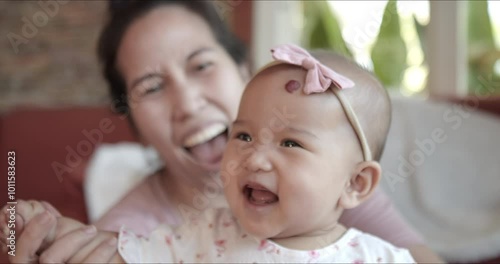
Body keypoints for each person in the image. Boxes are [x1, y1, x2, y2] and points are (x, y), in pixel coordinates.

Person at [4, 1, 443, 263]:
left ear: (243, 70)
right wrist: (20, 230)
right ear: (134, 127)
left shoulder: (329, 181)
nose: (189, 102)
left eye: (202, 65)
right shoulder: (163, 237)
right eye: (151, 87)